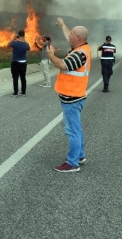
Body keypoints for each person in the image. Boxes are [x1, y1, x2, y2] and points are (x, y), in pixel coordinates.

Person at [46, 17, 91, 173]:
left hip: (72, 98)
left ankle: (72, 163)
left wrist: (51, 55)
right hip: (74, 96)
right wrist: (63, 26)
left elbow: (63, 64)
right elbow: (69, 37)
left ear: (78, 38)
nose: (69, 35)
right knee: (76, 128)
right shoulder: (81, 47)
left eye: (71, 33)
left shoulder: (80, 54)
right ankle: (80, 156)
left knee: (72, 130)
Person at [8, 29, 31, 96]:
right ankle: (23, 92)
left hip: (15, 62)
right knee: (23, 77)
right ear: (24, 35)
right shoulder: (26, 44)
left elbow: (8, 45)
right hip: (23, 63)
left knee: (15, 78)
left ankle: (16, 92)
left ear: (18, 35)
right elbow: (29, 49)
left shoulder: (14, 43)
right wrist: (24, 40)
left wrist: (13, 38)